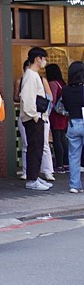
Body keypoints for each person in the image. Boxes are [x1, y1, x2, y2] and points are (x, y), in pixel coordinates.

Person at [20, 47, 53, 191]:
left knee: (37, 148)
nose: (44, 61)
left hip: (36, 117)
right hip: (34, 118)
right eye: (43, 58)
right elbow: (27, 99)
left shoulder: (32, 75)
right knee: (34, 148)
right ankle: (32, 179)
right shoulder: (31, 76)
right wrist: (34, 116)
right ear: (37, 59)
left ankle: (34, 176)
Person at [61, 61, 84, 193]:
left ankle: (74, 185)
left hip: (72, 124)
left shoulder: (65, 90)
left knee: (73, 156)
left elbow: (64, 106)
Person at [47, 64, 69, 174]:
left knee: (56, 139)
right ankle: (66, 163)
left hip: (55, 115)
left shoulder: (52, 84)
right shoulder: (62, 83)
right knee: (63, 138)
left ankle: (59, 164)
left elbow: (52, 100)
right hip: (63, 114)